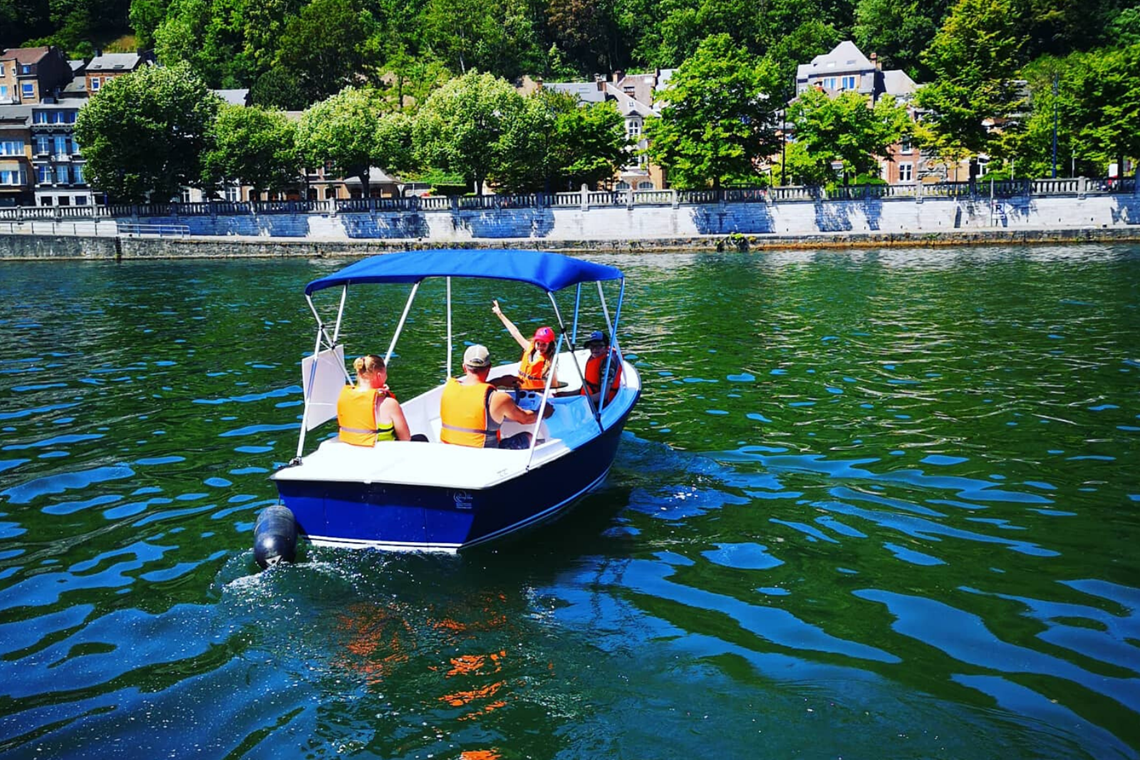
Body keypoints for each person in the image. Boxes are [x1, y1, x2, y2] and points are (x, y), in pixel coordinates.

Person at [440, 345, 553, 450]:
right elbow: (526, 419)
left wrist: (499, 381)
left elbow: (473, 391)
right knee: (527, 437)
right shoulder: (499, 399)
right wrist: (544, 412)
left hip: (451, 452)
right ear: (489, 367)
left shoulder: (449, 389)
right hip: (486, 456)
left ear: (464, 368)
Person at [337, 354, 411, 445]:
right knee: (422, 438)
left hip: (353, 450)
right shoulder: (389, 404)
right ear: (379, 376)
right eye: (385, 374)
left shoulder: (344, 397)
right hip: (382, 453)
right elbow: (406, 439)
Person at [491, 300, 557, 390]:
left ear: (550, 345)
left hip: (536, 390)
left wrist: (556, 392)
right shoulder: (529, 347)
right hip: (520, 386)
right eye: (538, 343)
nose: (540, 347)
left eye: (544, 345)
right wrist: (500, 314)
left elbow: (553, 381)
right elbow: (514, 332)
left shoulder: (550, 360)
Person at [580, 330, 622, 405]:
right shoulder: (596, 357)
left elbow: (604, 395)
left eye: (599, 346)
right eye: (592, 346)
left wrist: (580, 401)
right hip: (589, 396)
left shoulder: (608, 364)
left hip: (601, 404)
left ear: (606, 347)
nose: (595, 349)